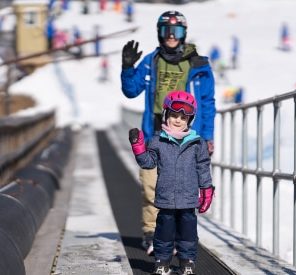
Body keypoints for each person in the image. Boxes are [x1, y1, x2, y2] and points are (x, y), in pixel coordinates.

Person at [121, 10, 215, 256]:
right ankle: (152, 232)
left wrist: (207, 136)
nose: (171, 36)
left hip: (188, 139)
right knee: (151, 186)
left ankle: (179, 237)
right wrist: (128, 67)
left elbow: (207, 102)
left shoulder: (199, 65)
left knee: (184, 187)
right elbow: (131, 90)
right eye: (166, 31)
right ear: (159, 34)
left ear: (184, 34)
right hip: (155, 133)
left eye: (177, 31)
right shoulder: (152, 60)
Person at [128, 91, 215, 275]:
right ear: (166, 114)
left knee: (188, 235)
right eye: (174, 115)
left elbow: (203, 168)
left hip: (188, 199)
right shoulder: (157, 141)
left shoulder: (197, 143)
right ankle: (162, 262)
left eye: (184, 117)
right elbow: (148, 162)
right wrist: (139, 148)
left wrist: (206, 189)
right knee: (163, 233)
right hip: (166, 199)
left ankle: (187, 262)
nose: (178, 120)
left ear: (189, 120)